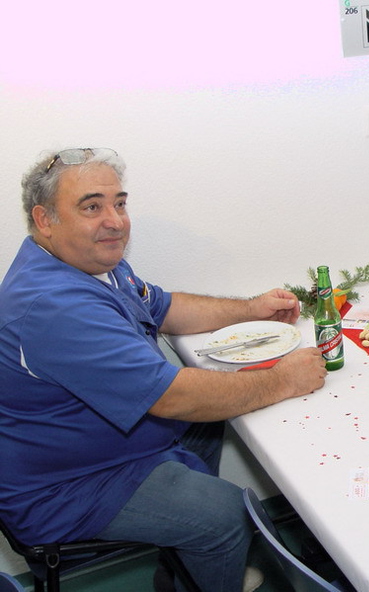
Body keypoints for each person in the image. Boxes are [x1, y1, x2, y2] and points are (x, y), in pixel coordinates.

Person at [0, 148, 329, 591]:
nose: (115, 221)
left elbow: (164, 307)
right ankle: (205, 560)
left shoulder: (92, 265)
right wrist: (283, 379)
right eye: (92, 207)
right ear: (45, 220)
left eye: (119, 203)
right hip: (67, 485)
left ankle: (183, 569)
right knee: (225, 513)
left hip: (103, 444)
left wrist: (251, 308)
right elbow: (173, 397)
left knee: (210, 422)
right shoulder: (53, 306)